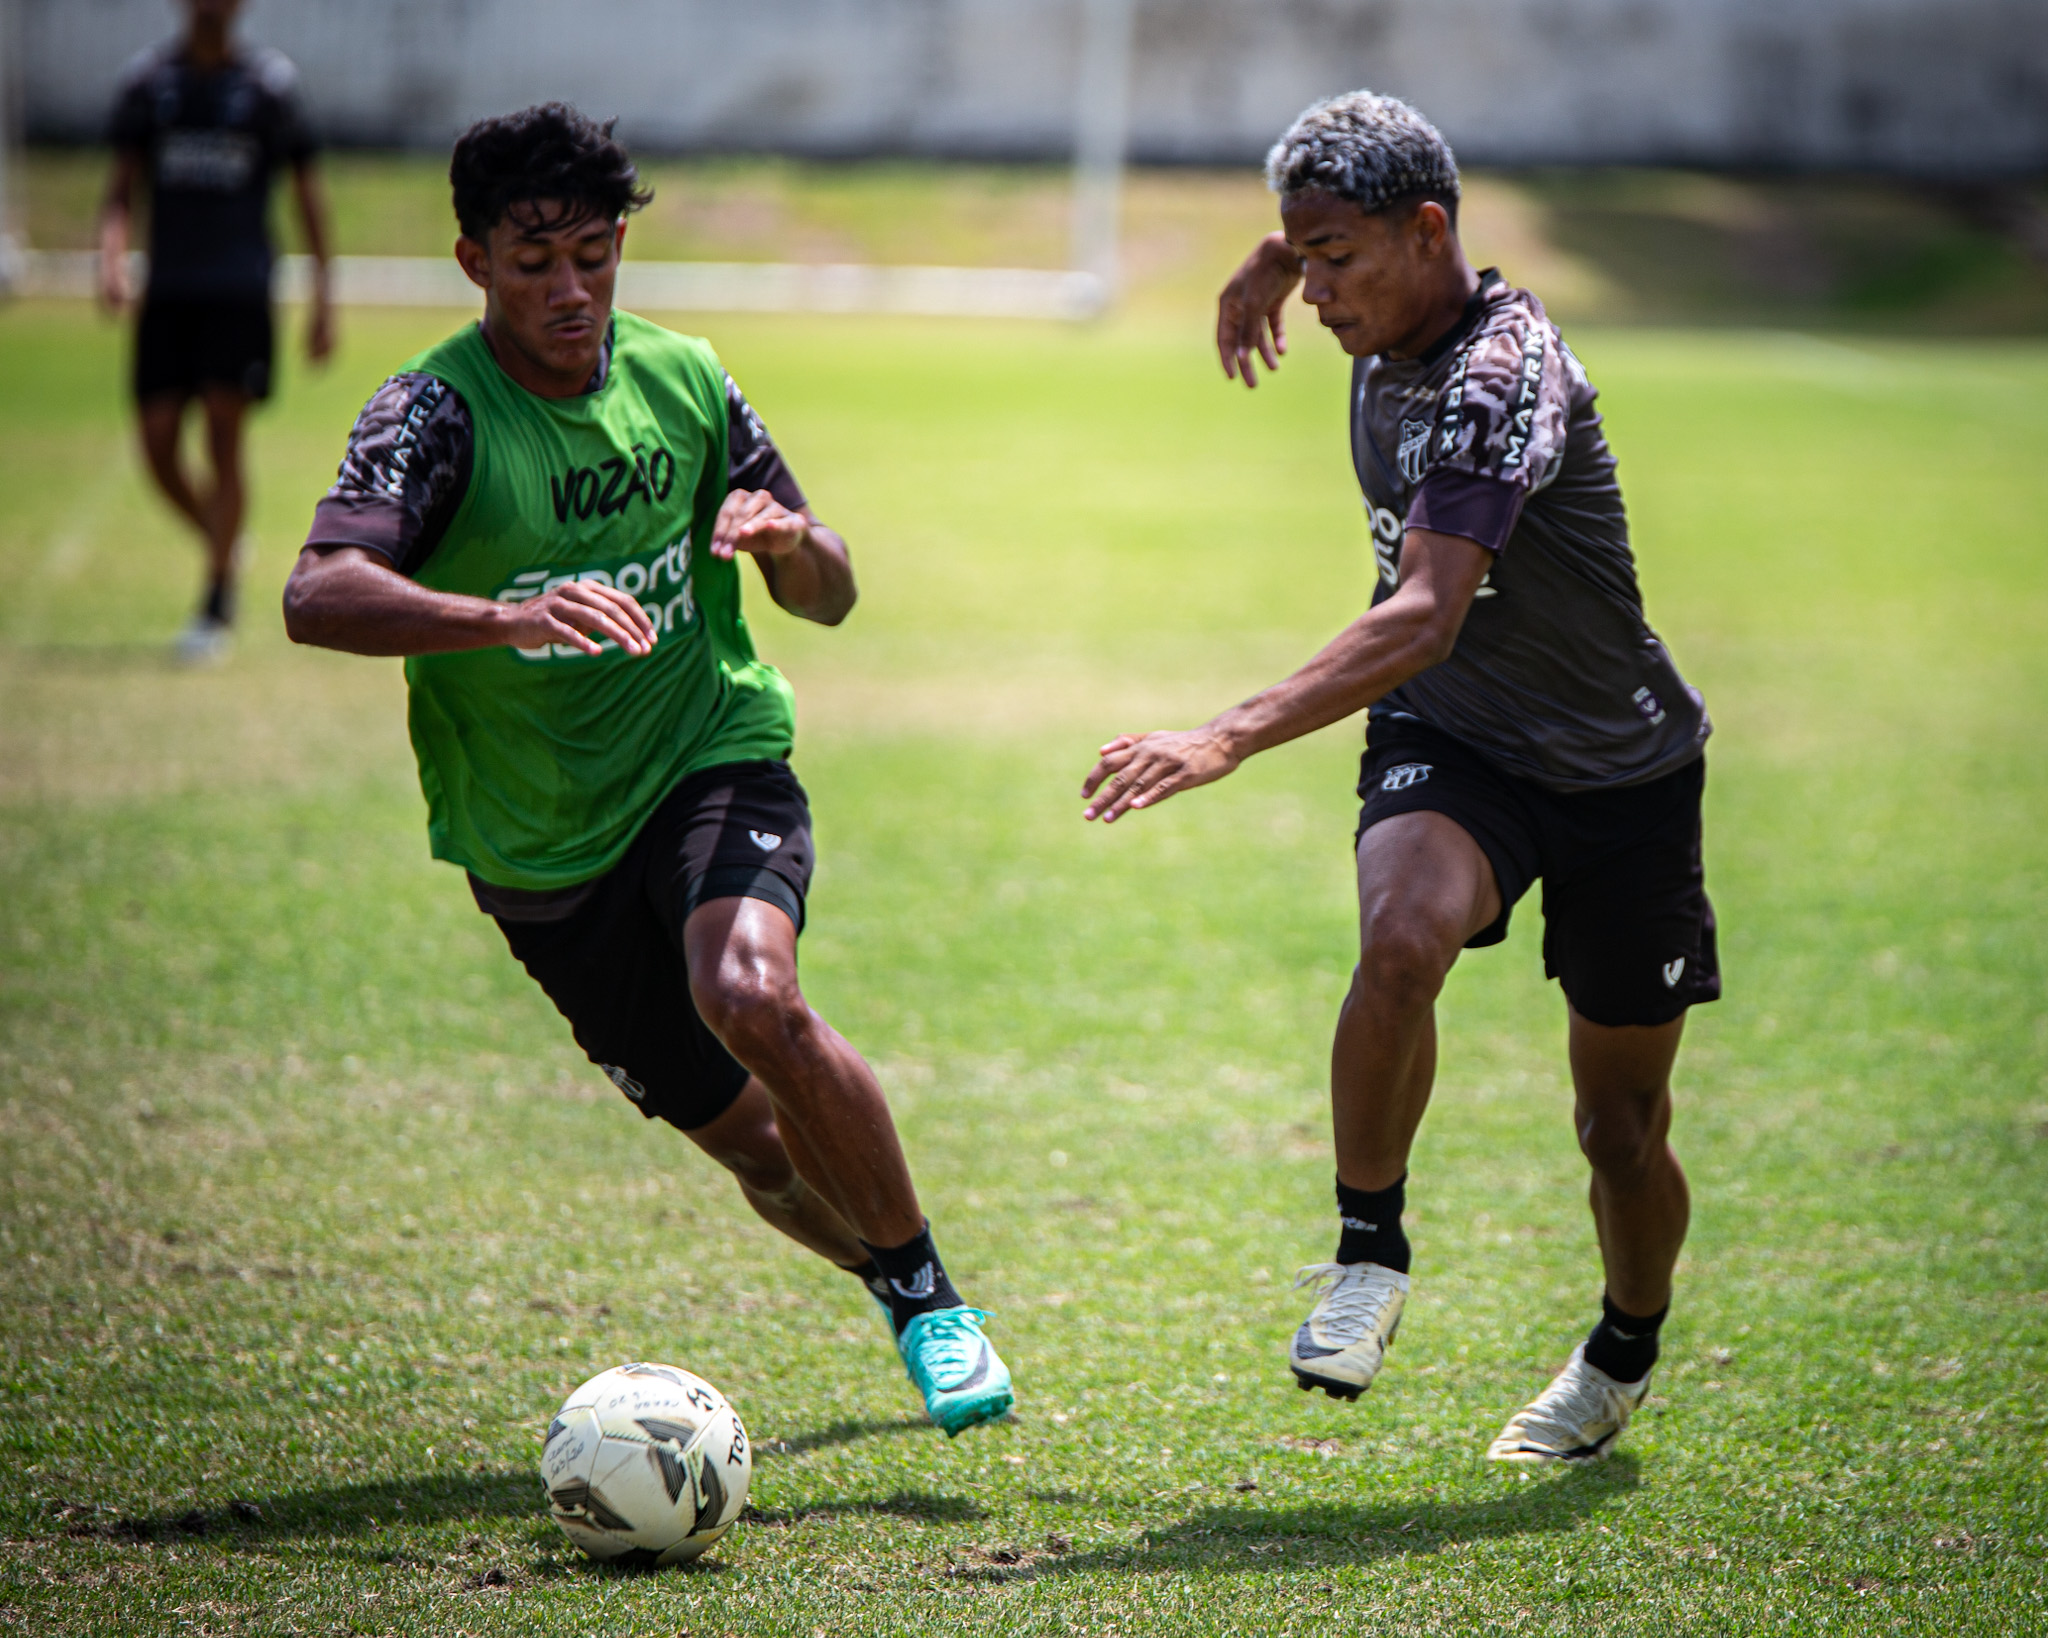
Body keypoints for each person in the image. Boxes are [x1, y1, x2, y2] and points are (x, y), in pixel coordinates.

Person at [281, 104, 1013, 1438]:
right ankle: (879, 1264)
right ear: (471, 262)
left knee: (750, 987)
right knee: (762, 1153)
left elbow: (829, 592)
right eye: (533, 262)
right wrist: (501, 614)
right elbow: (318, 592)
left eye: (595, 256)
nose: (571, 290)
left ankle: (931, 1301)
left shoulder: (683, 376)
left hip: (707, 752)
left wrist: (790, 539)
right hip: (539, 848)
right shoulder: (432, 414)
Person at [1081, 91, 1715, 1465]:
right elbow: (1439, 659)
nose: (1317, 293)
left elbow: (1425, 610)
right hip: (1459, 735)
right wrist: (1275, 254)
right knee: (1401, 935)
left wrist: (1225, 735)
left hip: (1623, 771)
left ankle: (1623, 1347)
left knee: (1618, 1126)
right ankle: (1369, 1249)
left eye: (1339, 259)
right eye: (1304, 259)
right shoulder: (1376, 288)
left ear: (1430, 235)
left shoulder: (1500, 381)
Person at [101, 0, 333, 665]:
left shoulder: (269, 87)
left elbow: (307, 191)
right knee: (156, 443)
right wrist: (111, 256)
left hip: (239, 290)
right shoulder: (149, 84)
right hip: (170, 290)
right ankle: (222, 535)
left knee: (225, 436)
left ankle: (216, 598)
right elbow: (121, 186)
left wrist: (323, 294)